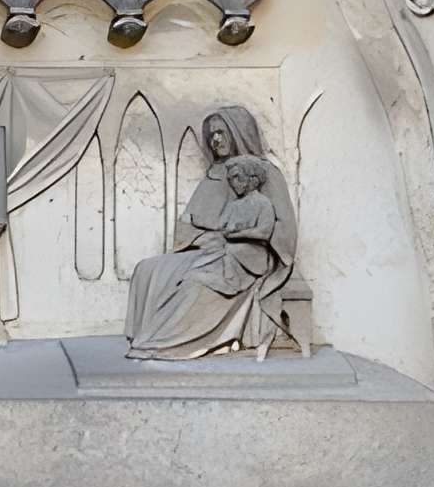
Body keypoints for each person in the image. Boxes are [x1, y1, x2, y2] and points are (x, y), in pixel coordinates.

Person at [123, 101, 312, 359]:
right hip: (207, 249)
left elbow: (283, 228)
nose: (215, 140)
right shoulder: (214, 174)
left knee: (194, 284)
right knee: (147, 269)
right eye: (211, 135)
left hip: (247, 258)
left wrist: (236, 237)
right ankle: (144, 338)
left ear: (239, 132)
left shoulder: (265, 172)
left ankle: (163, 343)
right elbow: (192, 223)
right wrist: (203, 237)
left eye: (221, 132)